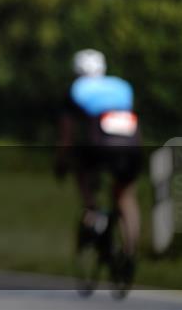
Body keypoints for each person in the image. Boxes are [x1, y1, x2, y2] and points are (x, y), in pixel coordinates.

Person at [56, 49, 141, 276]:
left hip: (100, 147)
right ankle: (130, 253)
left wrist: (62, 163)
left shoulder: (76, 90)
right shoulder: (121, 86)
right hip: (131, 148)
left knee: (81, 167)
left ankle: (91, 209)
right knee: (126, 197)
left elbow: (67, 138)